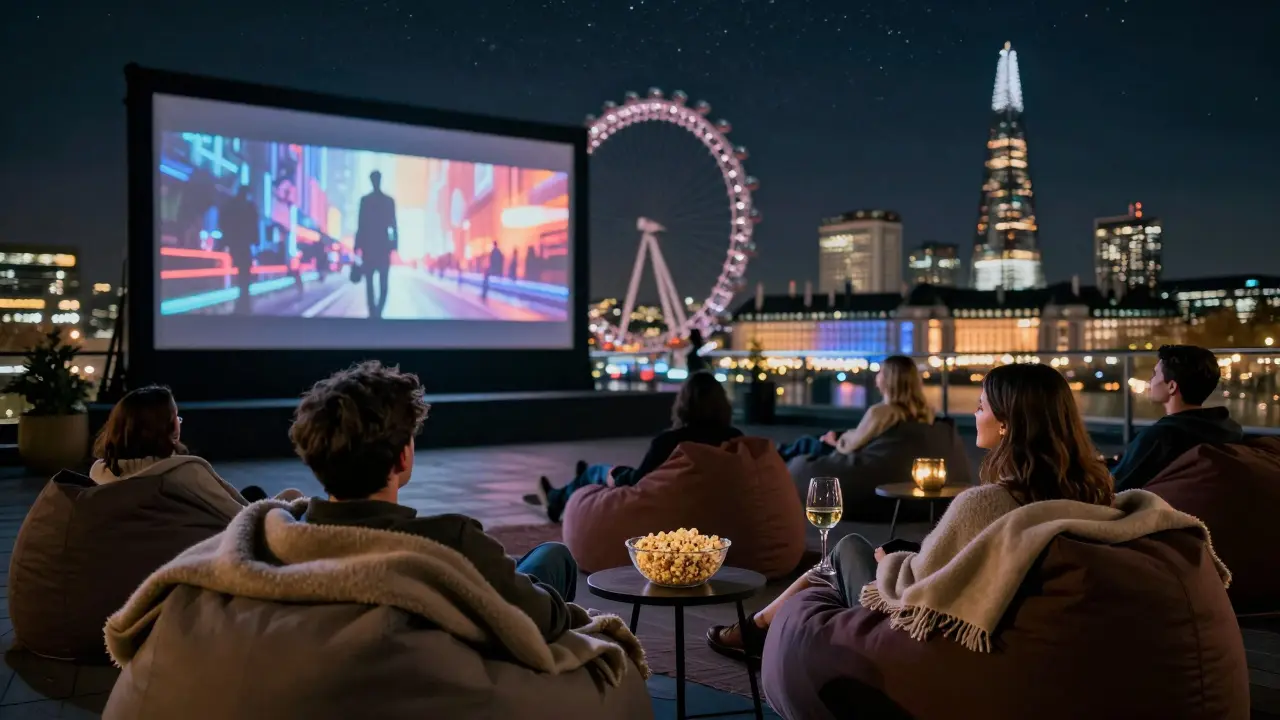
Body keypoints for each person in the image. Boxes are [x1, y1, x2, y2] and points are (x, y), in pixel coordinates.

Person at [707, 362, 1115, 660]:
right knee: (854, 557)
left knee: (847, 547)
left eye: (980, 406)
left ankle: (753, 628)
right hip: (1019, 625)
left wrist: (891, 562)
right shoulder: (1094, 493)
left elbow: (918, 588)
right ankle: (753, 628)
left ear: (1006, 424)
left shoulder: (987, 502)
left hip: (920, 633)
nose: (974, 414)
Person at [293, 361, 577, 640]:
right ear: (402, 456)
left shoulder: (290, 536)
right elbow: (547, 619)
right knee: (554, 556)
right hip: (467, 668)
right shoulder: (451, 542)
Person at [526, 371, 742, 522]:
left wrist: (619, 476)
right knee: (601, 473)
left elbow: (641, 484)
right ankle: (580, 485)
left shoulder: (671, 441)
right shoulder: (735, 439)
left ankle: (560, 498)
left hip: (662, 506)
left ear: (683, 403)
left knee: (600, 471)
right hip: (707, 504)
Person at [90, 385, 293, 509]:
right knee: (290, 495)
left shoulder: (100, 473)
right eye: (175, 417)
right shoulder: (186, 473)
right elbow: (237, 516)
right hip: (212, 548)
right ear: (168, 429)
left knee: (253, 492)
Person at [1111, 345, 1243, 491]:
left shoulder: (1160, 437)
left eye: (1155, 374)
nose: (1150, 381)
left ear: (1172, 387)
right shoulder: (1231, 429)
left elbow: (1113, 485)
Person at [777, 355, 934, 461]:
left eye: (880, 372)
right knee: (825, 435)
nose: (877, 376)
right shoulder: (924, 412)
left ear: (888, 380)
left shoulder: (881, 412)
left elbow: (854, 445)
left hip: (853, 457)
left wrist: (834, 441)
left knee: (804, 443)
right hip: (885, 457)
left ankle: (770, 459)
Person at [354, 170, 398, 318]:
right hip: (382, 246)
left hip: (369, 246)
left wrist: (357, 245)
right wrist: (394, 244)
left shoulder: (365, 201)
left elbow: (361, 225)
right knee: (382, 283)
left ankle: (373, 312)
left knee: (370, 283)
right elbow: (393, 225)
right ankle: (377, 312)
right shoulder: (388, 201)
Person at [219, 187, 260, 315]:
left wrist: (225, 241)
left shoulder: (232, 206)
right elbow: (254, 226)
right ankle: (244, 302)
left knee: (241, 274)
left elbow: (223, 222)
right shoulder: (248, 207)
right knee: (244, 274)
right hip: (243, 245)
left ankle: (243, 302)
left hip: (236, 244)